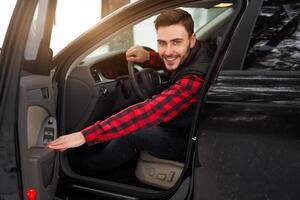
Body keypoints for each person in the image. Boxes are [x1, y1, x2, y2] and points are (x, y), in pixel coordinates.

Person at [48, 9, 212, 173]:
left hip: (192, 141)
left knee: (133, 132)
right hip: (194, 128)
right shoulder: (202, 50)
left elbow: (149, 111)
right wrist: (149, 57)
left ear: (192, 40)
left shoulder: (193, 81)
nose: (167, 51)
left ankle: (80, 169)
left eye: (176, 42)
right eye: (162, 42)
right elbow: (177, 62)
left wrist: (84, 136)